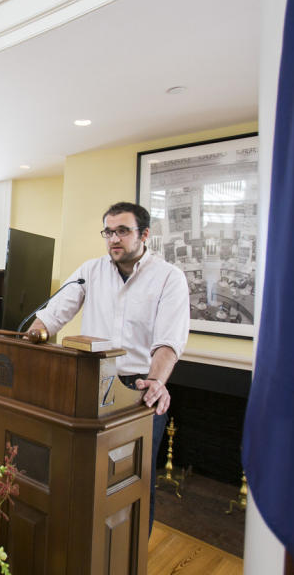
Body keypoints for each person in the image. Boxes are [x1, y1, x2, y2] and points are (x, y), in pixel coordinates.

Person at [28, 201, 189, 533]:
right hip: (90, 384)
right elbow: (53, 314)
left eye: (123, 231)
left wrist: (156, 381)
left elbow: (168, 341)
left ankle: (129, 556)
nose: (114, 239)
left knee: (134, 481)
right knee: (84, 474)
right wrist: (27, 340)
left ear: (144, 235)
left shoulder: (169, 278)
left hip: (139, 391)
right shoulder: (91, 271)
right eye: (108, 231)